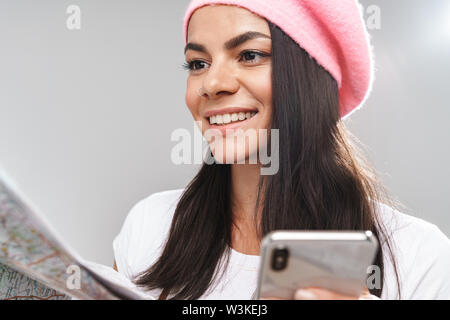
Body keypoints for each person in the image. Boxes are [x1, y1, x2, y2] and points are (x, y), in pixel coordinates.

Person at [112, 0, 450, 300]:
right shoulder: (149, 226)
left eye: (250, 55)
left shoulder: (418, 257)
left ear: (311, 77)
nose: (212, 84)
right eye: (198, 63)